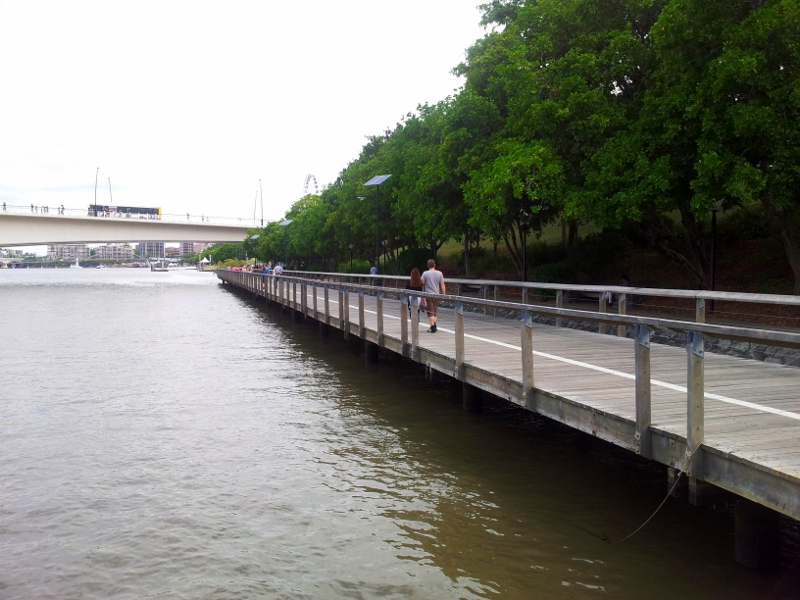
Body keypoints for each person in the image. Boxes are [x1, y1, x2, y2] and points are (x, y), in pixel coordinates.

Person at [420, 259, 445, 333]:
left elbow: (422, 283)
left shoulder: (425, 273)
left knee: (430, 311)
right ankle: (434, 325)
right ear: (434, 265)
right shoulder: (439, 273)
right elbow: (442, 284)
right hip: (436, 294)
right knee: (435, 310)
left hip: (428, 294)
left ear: (428, 266)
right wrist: (443, 294)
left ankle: (433, 327)